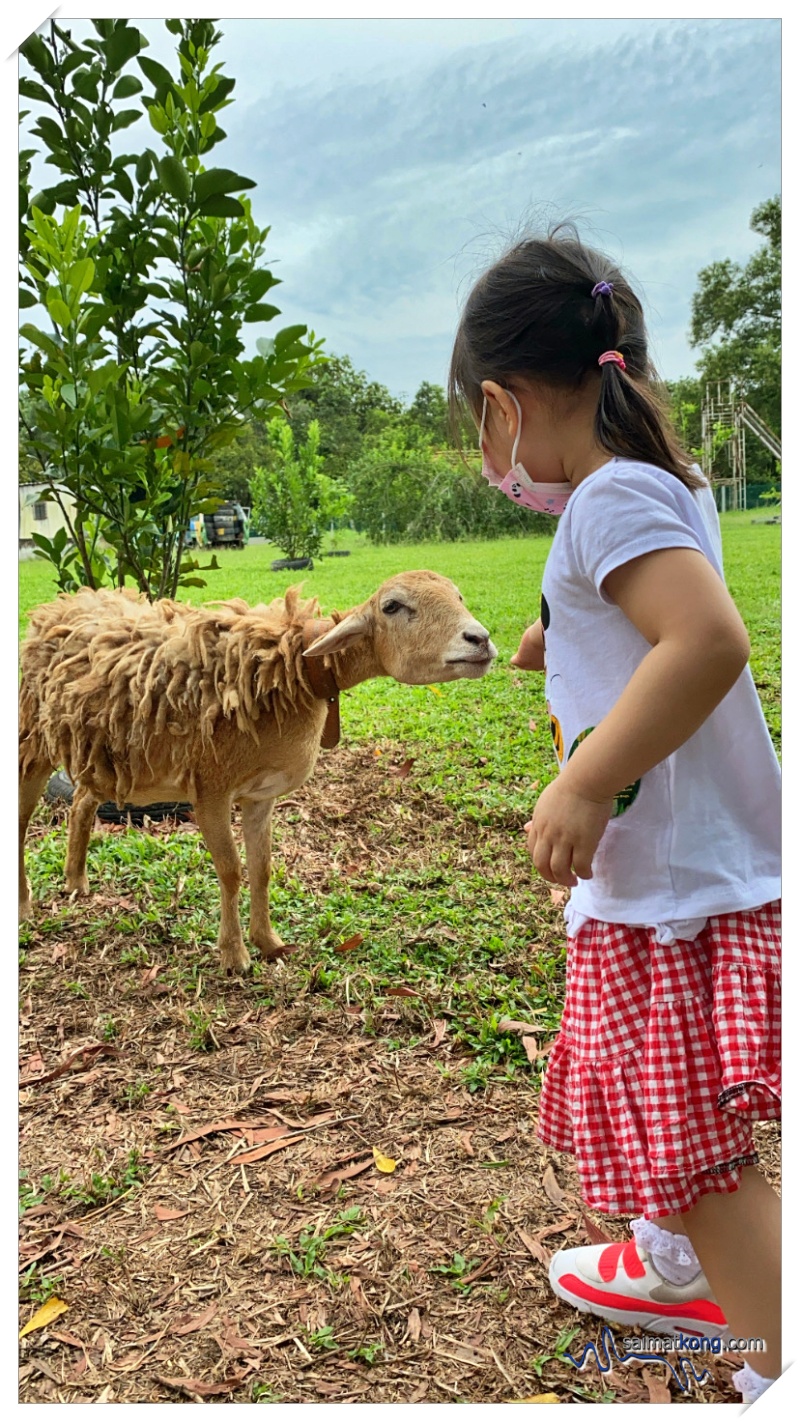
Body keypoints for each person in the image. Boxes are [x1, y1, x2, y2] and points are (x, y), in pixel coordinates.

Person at [448, 227, 781, 1404]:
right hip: (677, 876)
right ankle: (670, 1265)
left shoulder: (605, 500)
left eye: (474, 429)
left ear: (500, 405)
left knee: (698, 1151)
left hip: (674, 894)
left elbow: (702, 640)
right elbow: (645, 614)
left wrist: (584, 782)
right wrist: (556, 634)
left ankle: (771, 1368)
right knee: (653, 1095)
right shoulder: (656, 486)